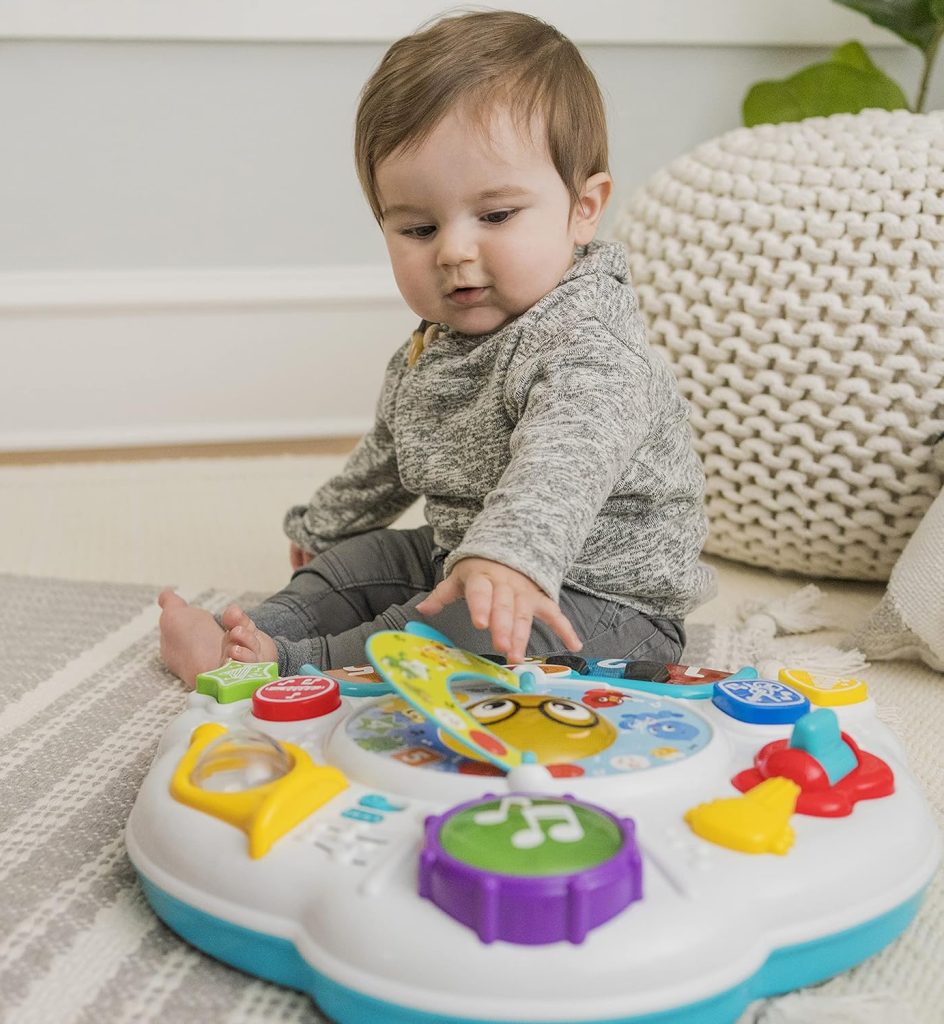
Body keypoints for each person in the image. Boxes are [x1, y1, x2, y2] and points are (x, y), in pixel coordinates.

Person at [158, 10, 713, 687]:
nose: (454, 251)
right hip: (468, 553)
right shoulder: (435, 348)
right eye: (419, 228)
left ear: (584, 207)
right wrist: (326, 528)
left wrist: (507, 558)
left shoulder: (591, 346)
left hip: (597, 599)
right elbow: (392, 455)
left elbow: (560, 470)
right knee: (361, 563)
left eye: (497, 216)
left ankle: (299, 669)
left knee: (463, 630)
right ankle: (264, 629)